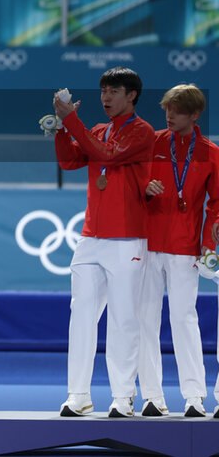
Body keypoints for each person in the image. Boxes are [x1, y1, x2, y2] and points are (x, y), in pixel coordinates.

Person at [53, 67, 155, 418]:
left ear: (132, 96)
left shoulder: (143, 132)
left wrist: (73, 121)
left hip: (128, 239)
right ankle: (78, 393)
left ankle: (123, 396)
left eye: (114, 91)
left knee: (123, 318)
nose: (106, 97)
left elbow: (108, 155)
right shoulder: (97, 129)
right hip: (91, 237)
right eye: (103, 91)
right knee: (80, 315)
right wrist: (61, 127)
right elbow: (69, 161)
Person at [137, 84, 218, 418]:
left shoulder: (211, 153)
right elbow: (129, 185)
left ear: (195, 114)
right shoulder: (151, 143)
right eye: (167, 109)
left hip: (185, 249)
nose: (170, 115)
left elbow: (217, 204)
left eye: (178, 110)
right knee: (145, 320)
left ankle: (194, 397)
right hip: (146, 244)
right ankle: (152, 397)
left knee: (184, 319)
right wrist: (145, 188)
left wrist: (209, 244)